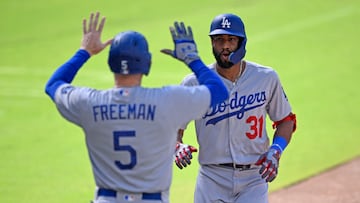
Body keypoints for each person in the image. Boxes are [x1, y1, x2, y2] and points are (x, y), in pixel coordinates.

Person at [44, 12, 229, 203]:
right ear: (147, 64)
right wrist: (193, 60)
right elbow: (219, 92)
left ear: (110, 63)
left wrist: (84, 51)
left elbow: (53, 84)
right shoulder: (167, 101)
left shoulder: (90, 102)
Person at [172, 13, 297, 203]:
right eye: (219, 40)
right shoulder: (194, 83)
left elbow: (285, 121)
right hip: (212, 178)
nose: (225, 46)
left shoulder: (265, 78)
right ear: (212, 43)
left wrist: (276, 150)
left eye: (231, 39)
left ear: (241, 42)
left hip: (254, 178)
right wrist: (176, 146)